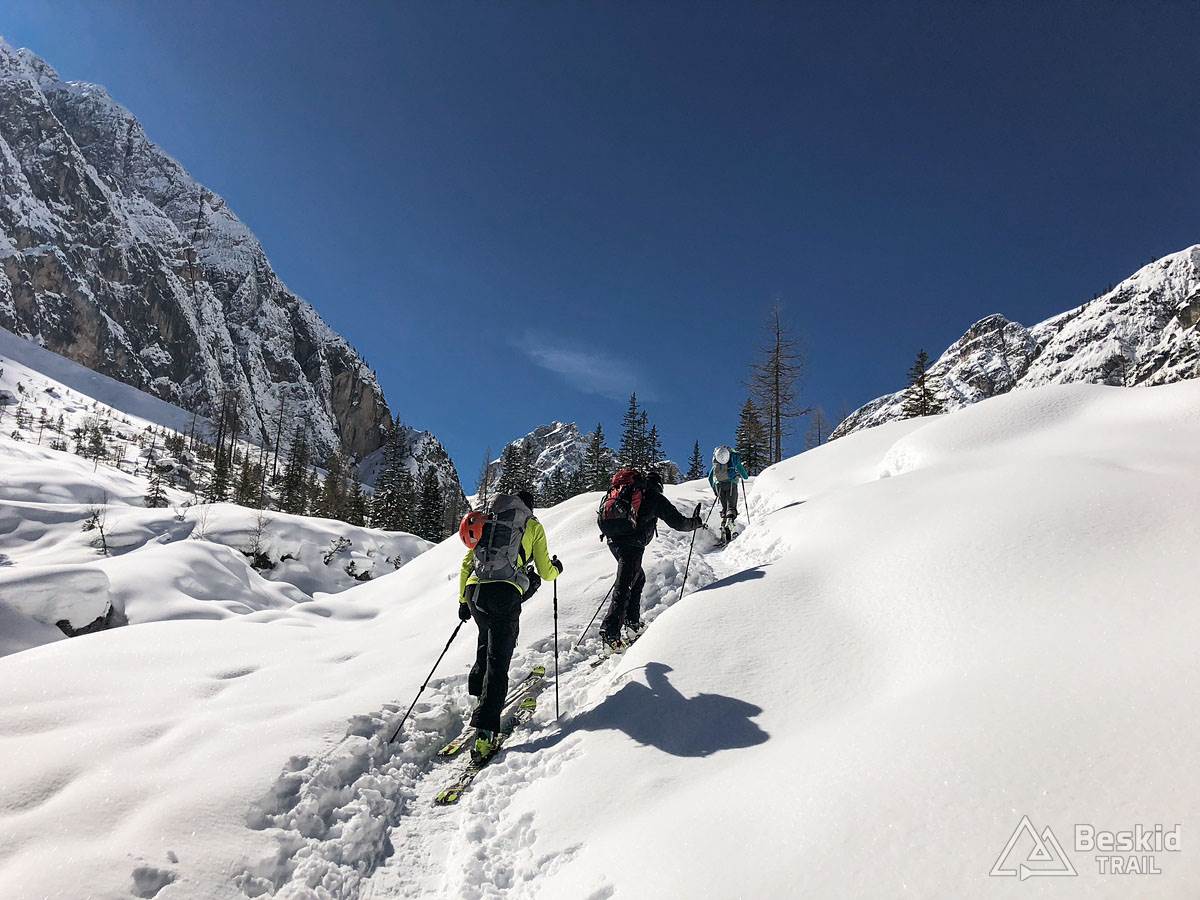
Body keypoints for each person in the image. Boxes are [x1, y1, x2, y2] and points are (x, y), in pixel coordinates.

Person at [458, 489, 562, 762]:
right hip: (503, 594)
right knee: (498, 661)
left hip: (475, 592)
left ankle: (479, 699)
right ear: (529, 507)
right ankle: (485, 734)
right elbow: (545, 570)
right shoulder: (531, 525)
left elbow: (467, 563)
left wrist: (462, 601)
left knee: (485, 642)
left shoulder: (489, 520)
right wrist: (557, 569)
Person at [599, 470, 703, 649]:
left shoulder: (627, 492)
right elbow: (679, 523)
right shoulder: (654, 497)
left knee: (638, 578)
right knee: (625, 585)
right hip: (632, 544)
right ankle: (610, 633)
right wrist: (696, 522)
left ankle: (632, 623)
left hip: (613, 541)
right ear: (659, 485)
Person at [709, 445, 749, 542]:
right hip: (731, 485)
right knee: (731, 508)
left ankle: (723, 529)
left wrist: (715, 490)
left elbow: (710, 478)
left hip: (719, 486)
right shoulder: (733, 458)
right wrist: (741, 473)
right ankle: (730, 526)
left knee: (725, 508)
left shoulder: (716, 462)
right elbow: (745, 476)